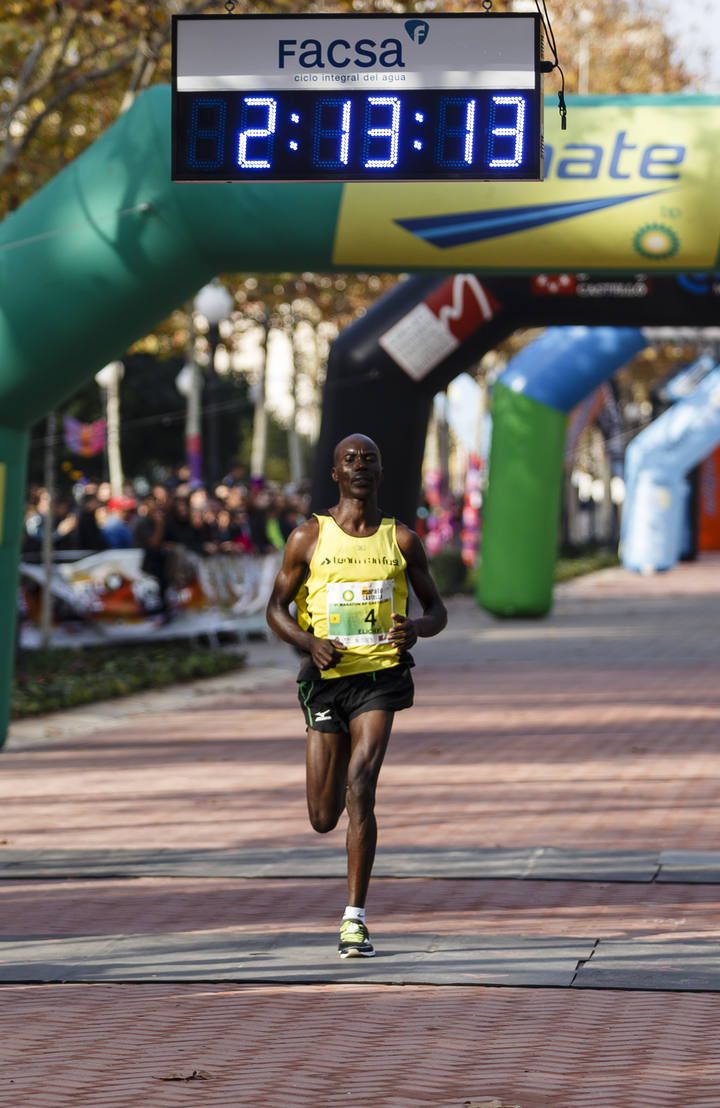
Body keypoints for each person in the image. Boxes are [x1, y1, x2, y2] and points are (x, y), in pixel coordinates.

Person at [266, 433, 447, 959]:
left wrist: (415, 628)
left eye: (370, 459)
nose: (360, 466)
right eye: (350, 460)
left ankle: (354, 919)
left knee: (362, 784)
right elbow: (275, 609)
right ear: (336, 475)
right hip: (327, 679)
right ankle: (331, 761)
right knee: (323, 815)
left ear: (381, 472)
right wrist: (309, 642)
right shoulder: (307, 538)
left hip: (381, 678)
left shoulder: (403, 540)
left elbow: (437, 609)